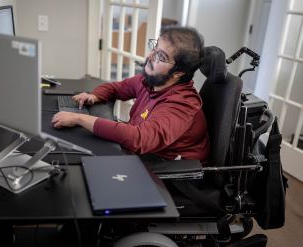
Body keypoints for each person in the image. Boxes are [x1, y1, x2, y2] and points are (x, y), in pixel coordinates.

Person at [51, 27, 210, 163]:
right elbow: (117, 87)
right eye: (154, 47)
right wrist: (94, 96)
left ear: (178, 73)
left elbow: (139, 139)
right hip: (146, 154)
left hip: (169, 171)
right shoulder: (151, 81)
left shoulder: (182, 105)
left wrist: (79, 118)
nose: (149, 57)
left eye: (160, 57)